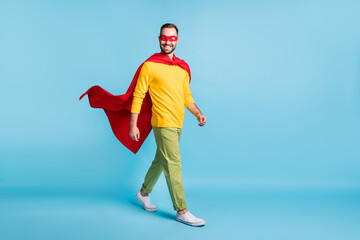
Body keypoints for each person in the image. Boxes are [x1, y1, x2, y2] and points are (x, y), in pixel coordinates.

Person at [129, 23, 207, 227]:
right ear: (159, 38)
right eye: (164, 38)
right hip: (162, 123)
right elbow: (138, 95)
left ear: (177, 41)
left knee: (161, 159)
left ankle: (143, 193)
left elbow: (186, 96)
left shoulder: (182, 68)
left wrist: (197, 113)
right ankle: (181, 210)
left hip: (177, 122)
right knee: (173, 164)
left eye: (171, 38)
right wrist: (133, 124)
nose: (167, 41)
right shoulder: (150, 66)